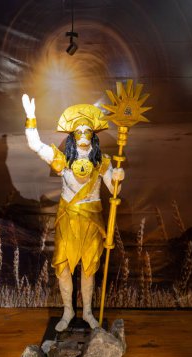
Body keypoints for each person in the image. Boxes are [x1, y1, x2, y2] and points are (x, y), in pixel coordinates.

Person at [22, 94, 124, 331]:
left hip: (91, 221)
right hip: (68, 219)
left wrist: (119, 176)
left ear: (94, 136)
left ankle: (87, 312)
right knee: (64, 267)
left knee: (89, 268)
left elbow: (113, 189)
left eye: (88, 131)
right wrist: (31, 118)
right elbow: (35, 146)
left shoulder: (102, 163)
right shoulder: (63, 161)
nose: (83, 136)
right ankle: (68, 311)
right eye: (78, 131)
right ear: (71, 136)